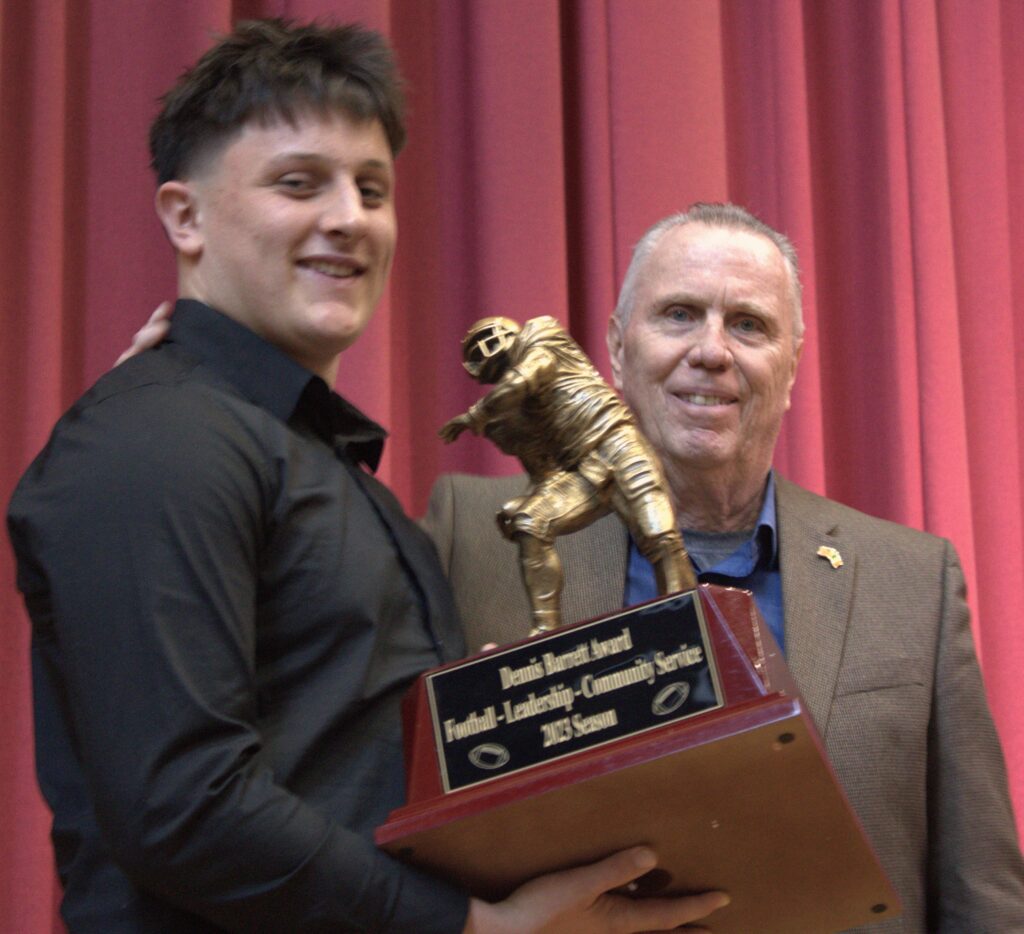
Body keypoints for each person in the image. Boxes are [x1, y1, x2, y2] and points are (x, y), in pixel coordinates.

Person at [6, 22, 730, 933]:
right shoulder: (152, 439)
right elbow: (184, 809)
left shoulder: (326, 471)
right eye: (298, 182)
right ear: (184, 217)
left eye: (372, 188)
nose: (350, 217)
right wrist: (465, 927)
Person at [425, 203, 1024, 931]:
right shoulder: (476, 540)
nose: (711, 350)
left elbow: (984, 893)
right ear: (616, 348)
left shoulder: (911, 581)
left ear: (793, 364)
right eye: (678, 314)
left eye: (748, 325)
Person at [438, 315, 693, 634]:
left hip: (614, 440)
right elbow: (543, 470)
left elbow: (528, 375)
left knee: (658, 531)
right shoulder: (507, 417)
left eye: (489, 340)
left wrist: (475, 415)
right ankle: (545, 635)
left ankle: (685, 616)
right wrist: (527, 501)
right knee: (532, 521)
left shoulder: (541, 335)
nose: (488, 349)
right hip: (581, 473)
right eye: (479, 350)